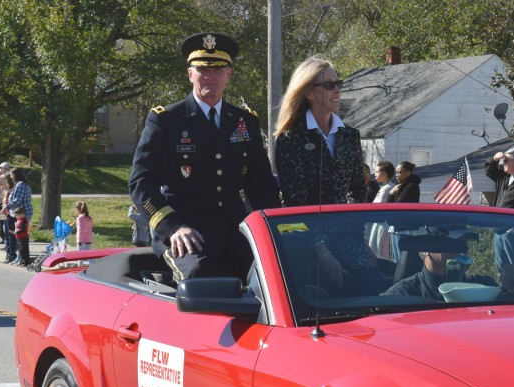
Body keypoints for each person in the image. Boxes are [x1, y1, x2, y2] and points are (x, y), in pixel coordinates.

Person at [129, 32, 281, 283]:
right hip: (186, 233)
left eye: (219, 69)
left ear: (229, 75)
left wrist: (276, 231)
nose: (210, 76)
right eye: (202, 69)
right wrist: (172, 227)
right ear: (190, 74)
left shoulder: (244, 121)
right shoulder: (166, 120)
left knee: (273, 279)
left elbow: (261, 185)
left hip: (235, 232)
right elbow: (141, 184)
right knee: (204, 280)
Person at [274, 56, 385, 295]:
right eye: (328, 85)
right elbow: (296, 203)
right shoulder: (291, 139)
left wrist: (360, 240)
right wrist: (322, 250)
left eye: (338, 83)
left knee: (367, 300)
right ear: (308, 92)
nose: (337, 90)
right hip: (307, 245)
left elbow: (357, 190)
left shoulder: (349, 136)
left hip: (348, 239)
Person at [484, 147, 514, 276]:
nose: (503, 163)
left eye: (506, 160)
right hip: (499, 229)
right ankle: (505, 292)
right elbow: (489, 170)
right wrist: (494, 159)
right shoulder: (504, 177)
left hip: (513, 231)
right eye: (503, 160)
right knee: (502, 268)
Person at [2, 174, 18, 264]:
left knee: (11, 235)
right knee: (7, 235)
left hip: (12, 215)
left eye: (5, 180)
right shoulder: (6, 190)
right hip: (6, 214)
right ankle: (8, 253)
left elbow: (15, 198)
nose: (4, 183)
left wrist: (7, 189)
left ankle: (12, 254)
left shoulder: (14, 188)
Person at [75, 201, 93, 267]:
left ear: (78, 209)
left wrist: (79, 240)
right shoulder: (89, 218)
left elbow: (80, 229)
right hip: (88, 239)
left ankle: (79, 271)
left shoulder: (79, 218)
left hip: (81, 240)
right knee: (90, 256)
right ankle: (94, 268)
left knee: (80, 257)